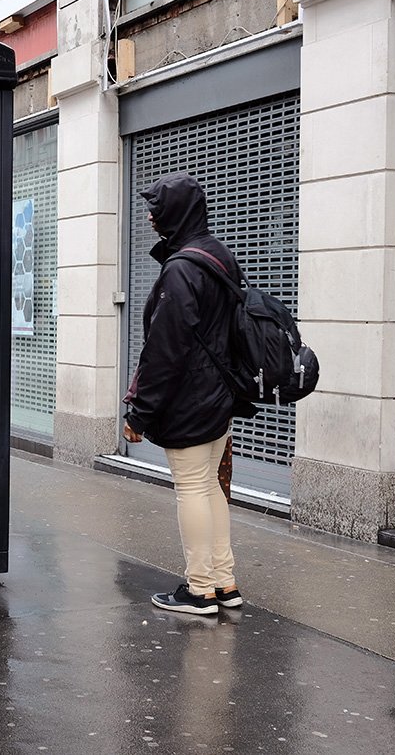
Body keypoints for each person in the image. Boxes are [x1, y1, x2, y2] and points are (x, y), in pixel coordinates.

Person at [122, 172, 251, 616]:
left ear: (174, 214)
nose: (152, 219)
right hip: (219, 396)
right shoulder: (218, 257)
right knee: (210, 486)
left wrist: (139, 413)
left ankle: (200, 591)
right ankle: (223, 582)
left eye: (156, 211)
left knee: (192, 487)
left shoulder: (181, 269)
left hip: (191, 399)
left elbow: (165, 349)